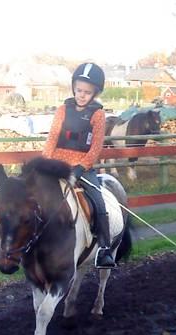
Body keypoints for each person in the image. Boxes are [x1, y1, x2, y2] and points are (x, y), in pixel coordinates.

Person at [43, 62, 115, 268]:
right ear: (73, 88)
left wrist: (81, 168)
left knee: (98, 201)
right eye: (79, 90)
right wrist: (45, 162)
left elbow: (95, 147)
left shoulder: (98, 115)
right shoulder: (62, 110)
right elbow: (52, 139)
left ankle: (104, 249)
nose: (82, 95)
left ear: (95, 93)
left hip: (81, 168)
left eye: (87, 92)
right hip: (57, 163)